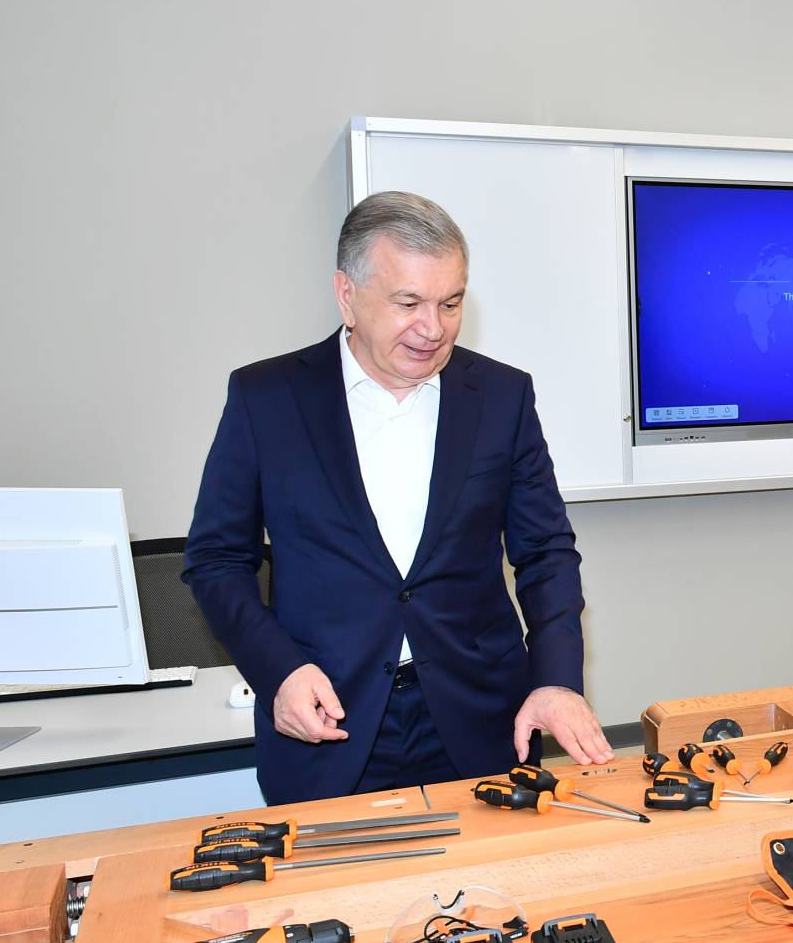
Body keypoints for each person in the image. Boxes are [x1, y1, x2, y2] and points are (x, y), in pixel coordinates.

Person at [184, 191, 612, 804]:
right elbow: (217, 560)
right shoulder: (267, 398)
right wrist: (279, 672)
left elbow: (545, 551)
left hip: (479, 719)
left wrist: (557, 681)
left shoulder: (502, 396)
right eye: (408, 303)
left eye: (450, 303)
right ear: (346, 295)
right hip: (329, 720)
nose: (432, 328)